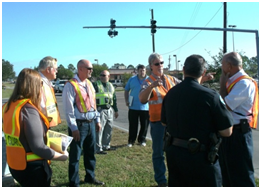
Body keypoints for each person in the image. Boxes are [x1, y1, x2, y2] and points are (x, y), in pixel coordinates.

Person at [139, 52, 215, 186]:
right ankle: (161, 181)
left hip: (173, 122)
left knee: (174, 151)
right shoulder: (148, 81)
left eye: (162, 63)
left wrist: (203, 79)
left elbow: (187, 87)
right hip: (158, 123)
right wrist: (152, 86)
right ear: (151, 66)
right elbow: (142, 99)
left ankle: (176, 179)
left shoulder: (171, 79)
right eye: (157, 64)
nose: (160, 66)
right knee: (158, 153)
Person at [161, 54, 233, 187]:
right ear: (204, 72)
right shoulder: (211, 96)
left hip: (175, 156)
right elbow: (227, 131)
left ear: (183, 70)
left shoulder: (170, 94)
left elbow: (164, 122)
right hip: (201, 158)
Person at [2, 68, 68, 187]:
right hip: (33, 169)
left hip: (16, 165)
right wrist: (62, 156)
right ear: (34, 86)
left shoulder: (8, 106)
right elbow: (38, 147)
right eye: (40, 85)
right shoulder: (28, 110)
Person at [62, 59, 104, 187]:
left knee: (91, 152)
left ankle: (90, 177)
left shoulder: (90, 84)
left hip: (91, 123)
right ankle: (74, 182)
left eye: (91, 68)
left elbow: (93, 104)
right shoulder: (71, 85)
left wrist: (97, 120)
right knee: (76, 155)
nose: (91, 70)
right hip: (79, 126)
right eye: (89, 68)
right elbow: (69, 110)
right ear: (80, 69)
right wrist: (74, 128)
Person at [219, 52, 258, 187]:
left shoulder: (243, 83)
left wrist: (222, 83)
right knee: (228, 173)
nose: (221, 67)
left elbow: (225, 106)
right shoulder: (234, 80)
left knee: (241, 175)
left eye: (223, 64)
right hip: (231, 132)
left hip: (238, 134)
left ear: (229, 66)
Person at [92, 70, 119, 154]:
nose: (102, 77)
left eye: (104, 75)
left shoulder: (111, 86)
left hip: (109, 109)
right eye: (101, 75)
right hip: (100, 110)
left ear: (109, 76)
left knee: (109, 128)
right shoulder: (96, 85)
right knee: (99, 129)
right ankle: (98, 147)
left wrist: (116, 110)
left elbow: (114, 98)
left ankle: (106, 145)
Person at [124, 64, 149, 147]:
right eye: (141, 70)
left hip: (145, 107)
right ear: (137, 71)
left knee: (144, 125)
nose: (142, 72)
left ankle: (142, 140)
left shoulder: (149, 80)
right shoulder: (132, 79)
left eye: (144, 70)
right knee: (133, 125)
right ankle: (131, 141)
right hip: (133, 106)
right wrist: (127, 100)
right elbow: (126, 90)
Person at [38, 56, 61, 127]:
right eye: (55, 69)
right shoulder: (38, 83)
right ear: (48, 69)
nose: (57, 72)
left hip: (47, 123)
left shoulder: (47, 82)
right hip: (41, 124)